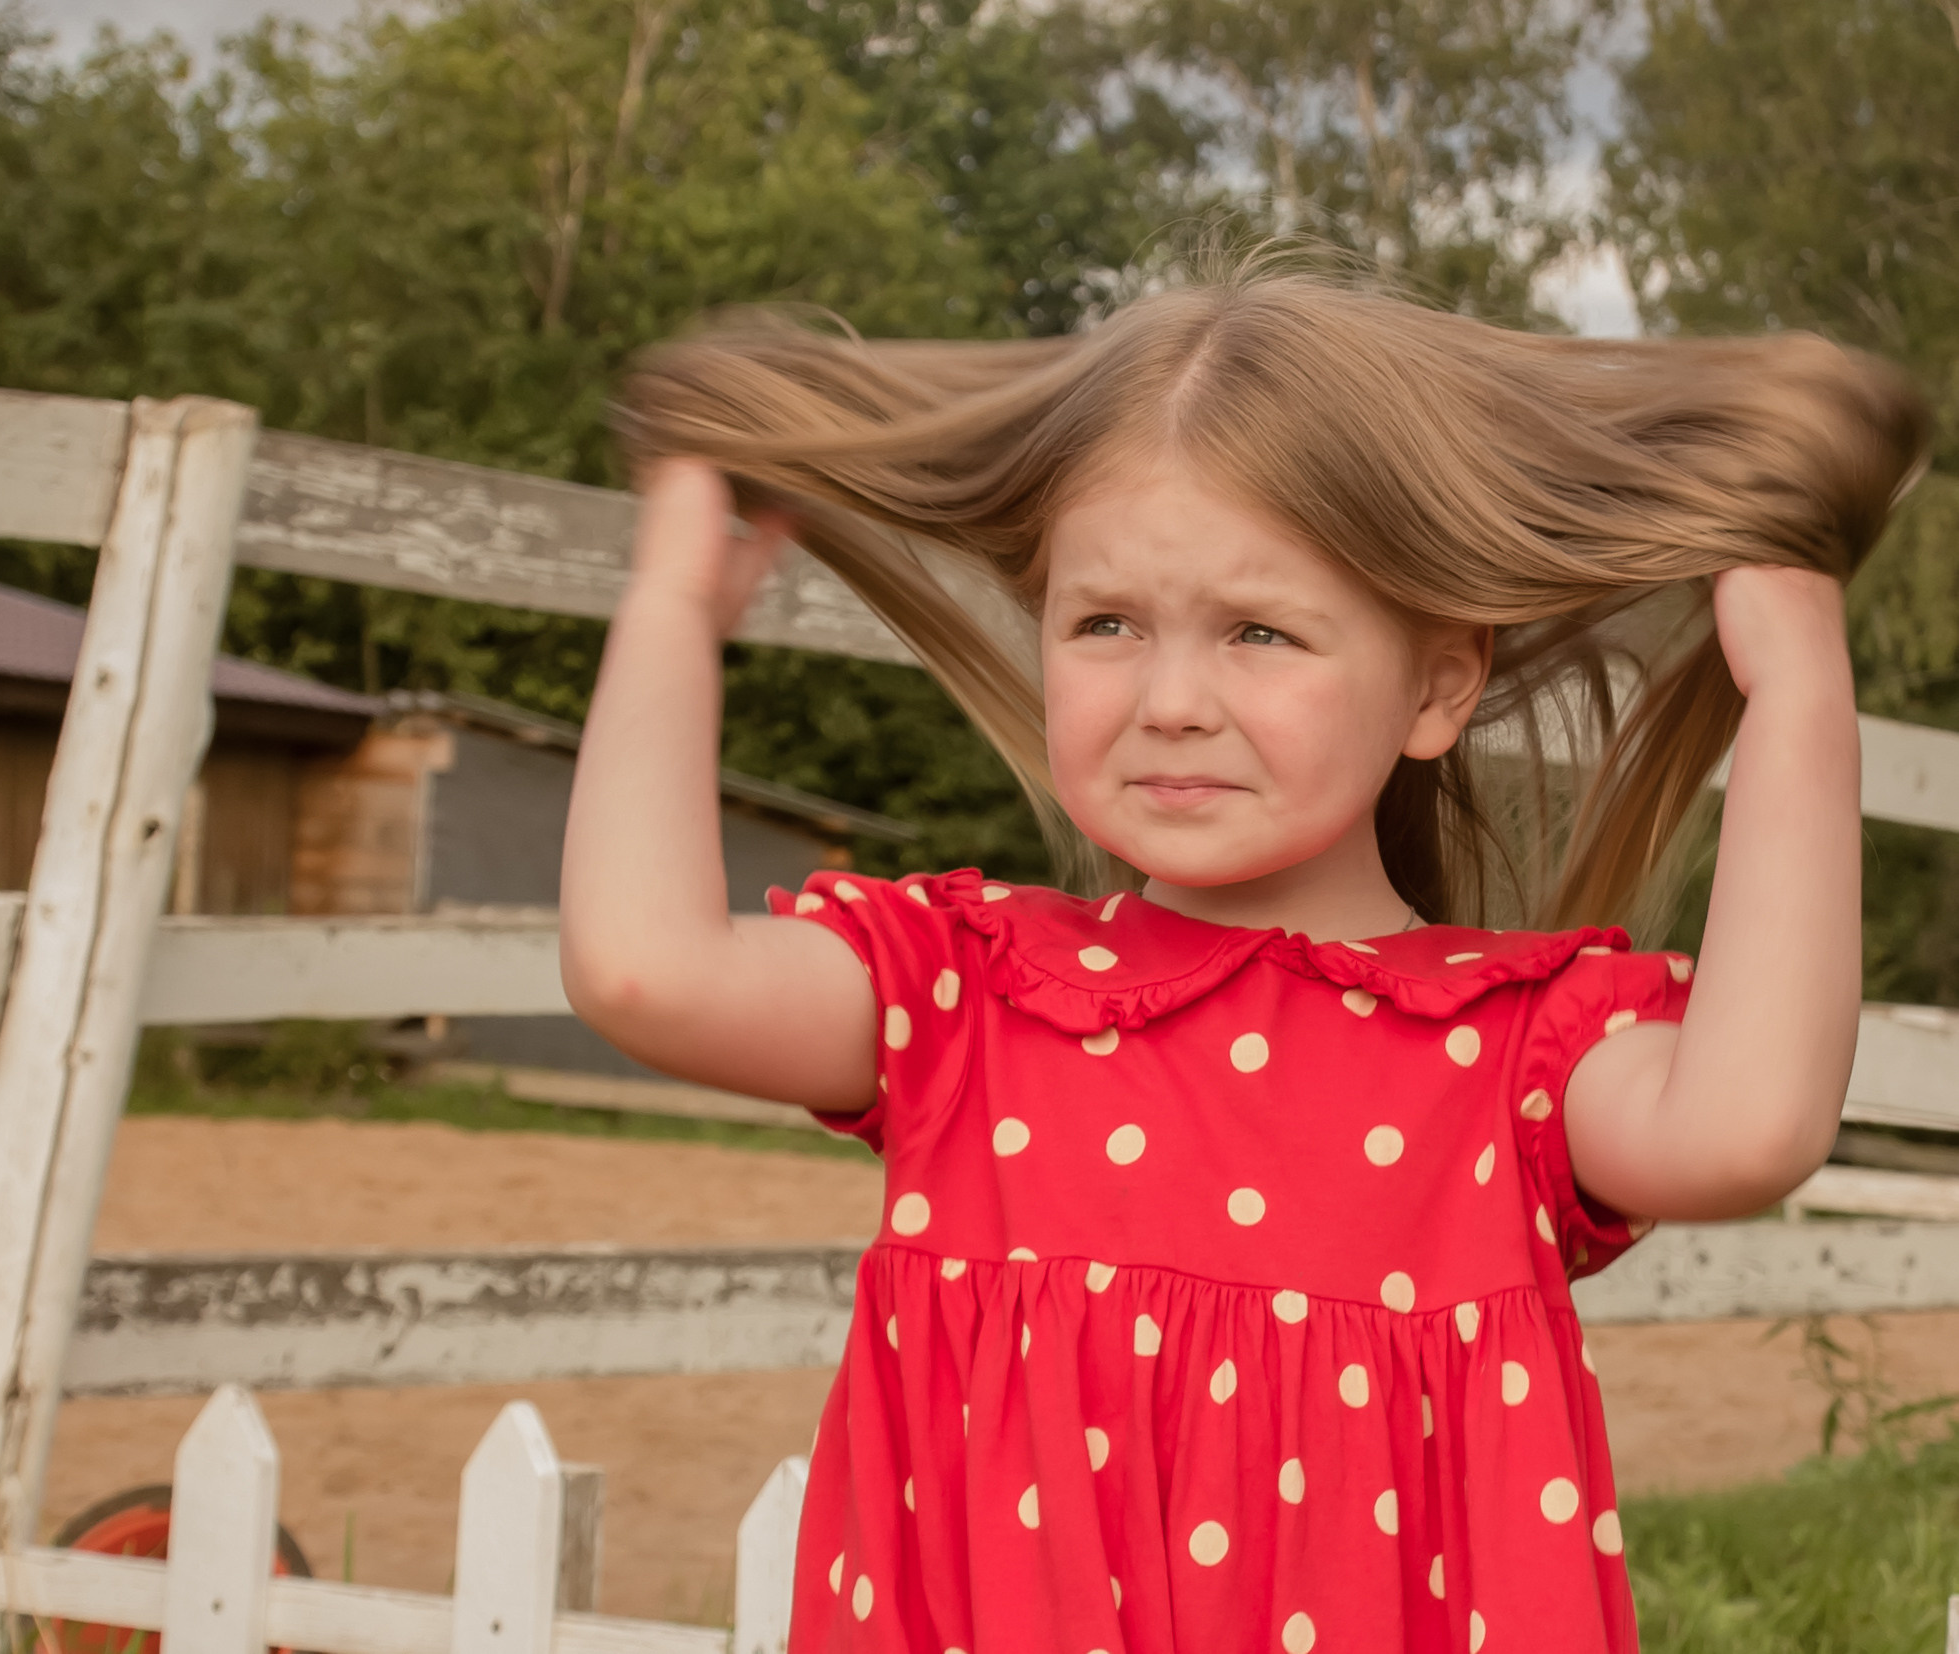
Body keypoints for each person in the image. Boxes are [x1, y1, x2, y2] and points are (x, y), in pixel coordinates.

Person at [558, 263, 1928, 1653]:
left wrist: (1798, 691)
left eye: (1257, 632)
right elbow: (642, 971)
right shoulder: (970, 995)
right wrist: (673, 609)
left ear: (1440, 682)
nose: (1167, 702)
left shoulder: (1507, 1054)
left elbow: (1750, 1123)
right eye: (1105, 624)